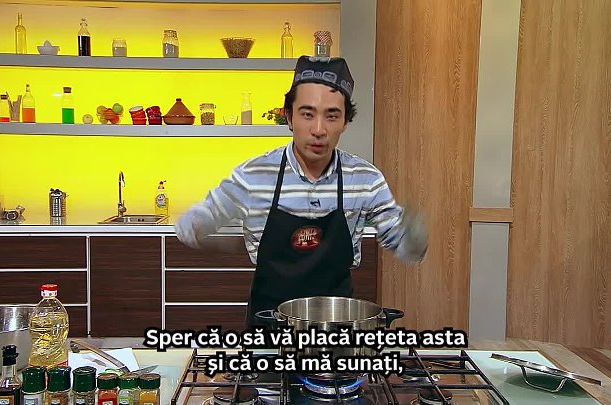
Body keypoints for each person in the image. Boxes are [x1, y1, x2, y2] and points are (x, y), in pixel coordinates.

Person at [176, 55, 428, 328]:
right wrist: (197, 224)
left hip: (337, 327)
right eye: (307, 114)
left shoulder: (365, 180)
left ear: (345, 122)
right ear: (289, 117)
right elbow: (202, 217)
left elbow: (402, 244)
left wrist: (413, 238)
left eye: (332, 116)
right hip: (269, 328)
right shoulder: (254, 176)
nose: (318, 130)